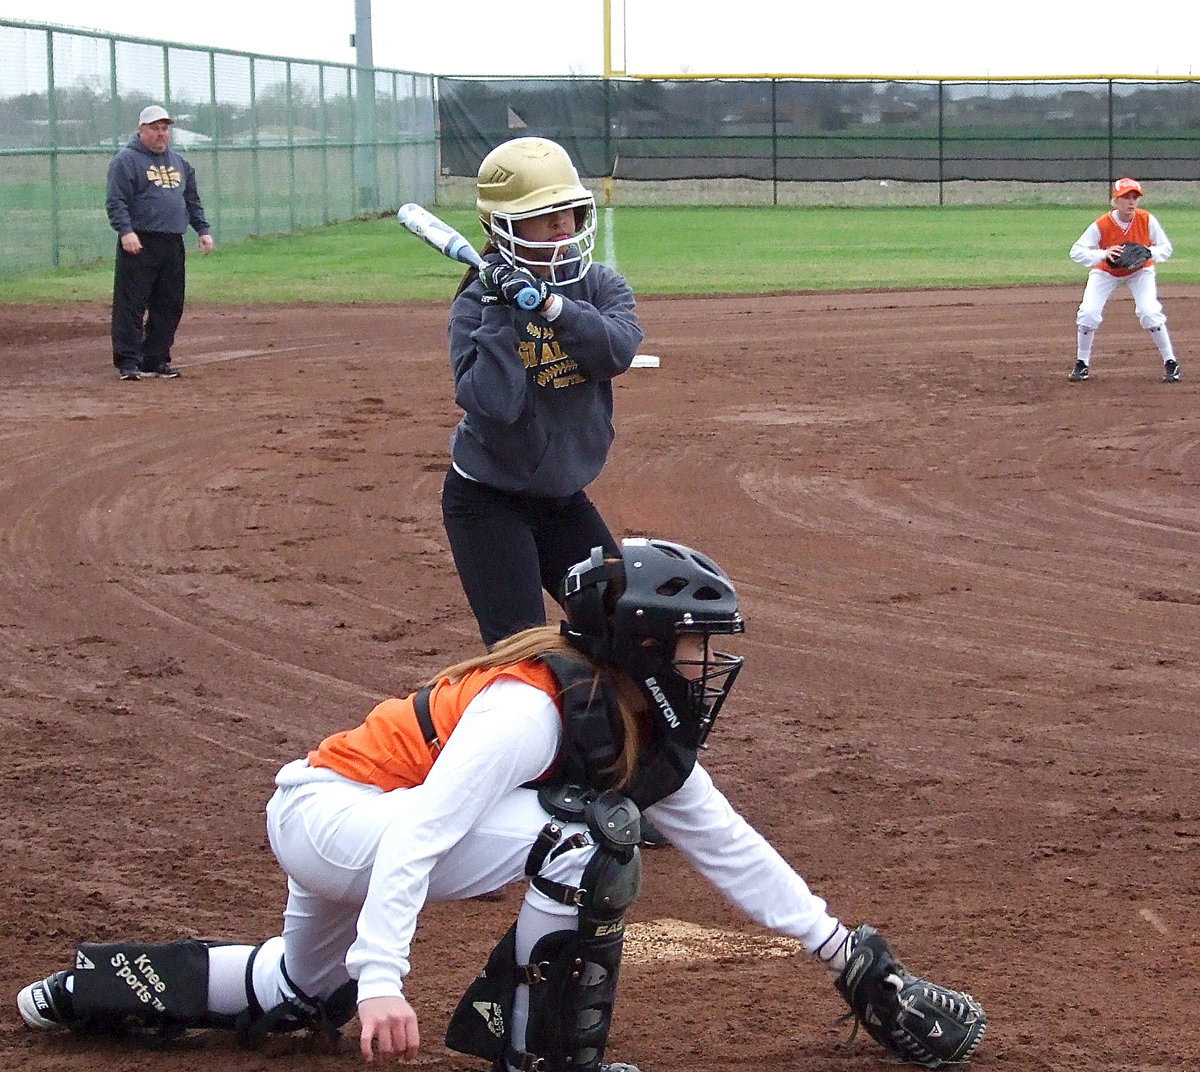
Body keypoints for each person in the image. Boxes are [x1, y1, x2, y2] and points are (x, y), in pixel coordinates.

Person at [16, 537, 986, 1071]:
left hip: (354, 818)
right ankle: (542, 1058)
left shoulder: (627, 718)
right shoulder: (531, 705)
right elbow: (428, 830)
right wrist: (386, 976)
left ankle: (96, 987)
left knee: (297, 992)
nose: (708, 664)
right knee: (587, 840)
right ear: (643, 647)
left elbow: (727, 841)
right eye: (694, 644)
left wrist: (841, 951)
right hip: (337, 817)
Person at [442, 135, 643, 651]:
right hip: (489, 501)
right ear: (504, 228)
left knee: (631, 630)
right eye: (543, 214)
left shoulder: (600, 286)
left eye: (568, 211)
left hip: (562, 499)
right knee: (522, 655)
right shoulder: (474, 307)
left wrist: (551, 306)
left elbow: (616, 350)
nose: (561, 224)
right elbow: (497, 405)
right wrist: (499, 312)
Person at [106, 104, 215, 381]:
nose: (161, 134)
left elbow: (191, 200)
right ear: (141, 130)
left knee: (169, 303)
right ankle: (129, 361)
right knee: (132, 303)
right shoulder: (126, 161)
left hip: (172, 241)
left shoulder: (180, 163)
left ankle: (155, 359)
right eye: (155, 128)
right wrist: (126, 231)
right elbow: (116, 201)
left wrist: (202, 230)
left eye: (165, 129)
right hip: (139, 241)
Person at [1067, 176, 1181, 384]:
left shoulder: (1147, 219)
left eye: (1134, 197)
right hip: (1106, 272)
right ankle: (1082, 364)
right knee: (1089, 313)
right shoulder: (1102, 224)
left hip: (1140, 271)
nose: (1131, 202)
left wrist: (1149, 251)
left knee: (1149, 312)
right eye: (1126, 197)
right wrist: (1103, 254)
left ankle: (1171, 362)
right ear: (1115, 200)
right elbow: (1076, 251)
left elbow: (1165, 248)